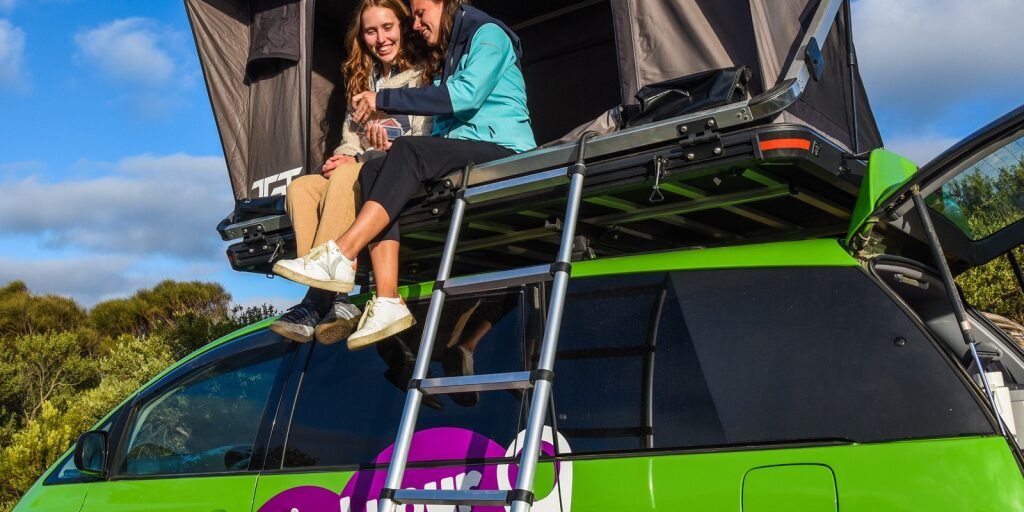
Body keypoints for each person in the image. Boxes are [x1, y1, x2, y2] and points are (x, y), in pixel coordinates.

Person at [272, 0, 536, 350]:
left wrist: (384, 103)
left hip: (500, 143)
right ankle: (387, 300)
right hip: (461, 145)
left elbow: (464, 97)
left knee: (402, 153)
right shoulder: (448, 49)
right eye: (411, 16)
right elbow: (361, 140)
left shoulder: (487, 34)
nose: (415, 23)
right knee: (375, 167)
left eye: (418, 13)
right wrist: (361, 152)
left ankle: (341, 257)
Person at [270, 0, 432, 344]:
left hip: (396, 176)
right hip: (362, 167)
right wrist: (341, 157)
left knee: (348, 175)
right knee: (302, 188)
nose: (381, 39)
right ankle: (331, 297)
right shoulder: (363, 81)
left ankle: (321, 300)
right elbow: (350, 143)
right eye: (371, 31)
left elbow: (424, 141)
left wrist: (368, 154)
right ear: (362, 38)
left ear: (402, 27)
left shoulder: (422, 75)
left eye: (388, 28)